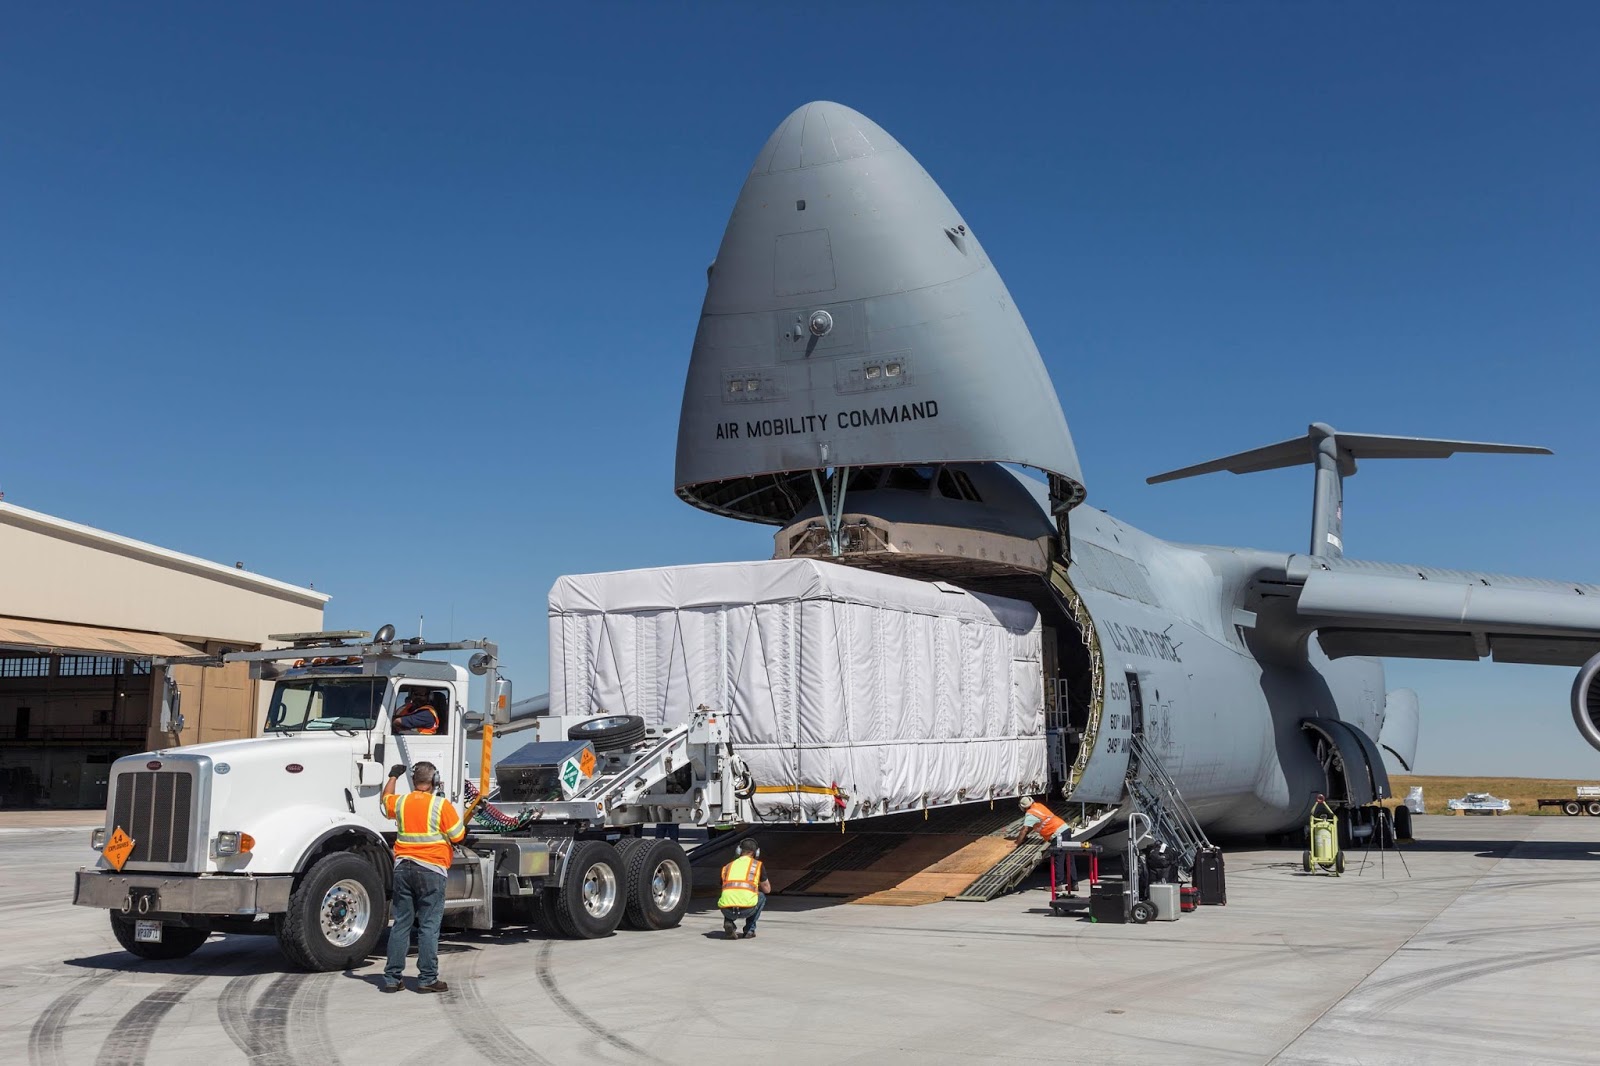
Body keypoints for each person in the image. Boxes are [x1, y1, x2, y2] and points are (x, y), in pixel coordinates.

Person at [380, 760, 464, 992]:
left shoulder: (401, 802)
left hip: (403, 868)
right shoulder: (440, 805)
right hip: (431, 869)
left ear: (414, 780)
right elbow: (458, 835)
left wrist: (393, 776)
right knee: (428, 926)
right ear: (434, 781)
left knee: (401, 924)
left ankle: (392, 979)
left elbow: (385, 800)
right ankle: (427, 979)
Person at [717, 838, 770, 940]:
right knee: (762, 896)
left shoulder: (728, 866)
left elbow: (722, 886)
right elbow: (767, 889)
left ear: (739, 851)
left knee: (727, 894)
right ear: (756, 852)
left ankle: (729, 922)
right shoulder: (757, 865)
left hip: (727, 910)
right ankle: (749, 930)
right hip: (747, 909)